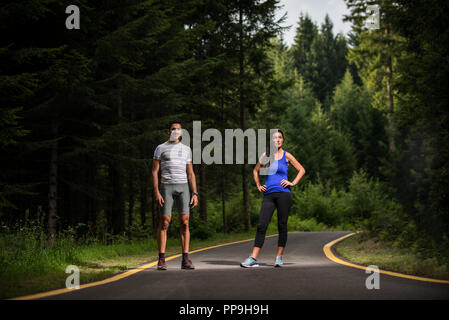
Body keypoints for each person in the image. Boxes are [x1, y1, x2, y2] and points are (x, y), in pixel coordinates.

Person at [240, 129, 305, 268]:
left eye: (280, 137)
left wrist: (292, 183)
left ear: (282, 140)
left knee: (282, 225)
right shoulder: (266, 155)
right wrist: (258, 185)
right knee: (261, 225)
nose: (278, 140)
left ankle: (279, 258)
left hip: (283, 194)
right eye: (275, 138)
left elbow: (301, 170)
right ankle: (253, 258)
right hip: (268, 194)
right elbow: (255, 170)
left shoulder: (287, 156)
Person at [152, 120, 199, 270]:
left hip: (183, 186)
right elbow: (154, 172)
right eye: (173, 129)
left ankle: (185, 259)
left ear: (181, 132)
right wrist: (157, 191)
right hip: (167, 186)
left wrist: (195, 193)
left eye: (178, 129)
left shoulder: (186, 149)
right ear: (169, 131)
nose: (176, 131)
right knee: (165, 222)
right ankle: (161, 259)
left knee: (184, 222)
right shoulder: (160, 148)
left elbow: (191, 173)